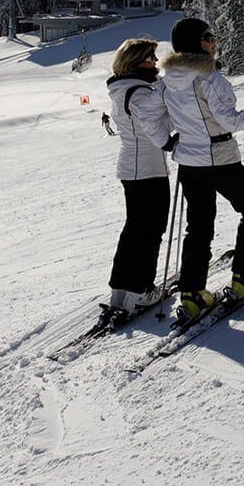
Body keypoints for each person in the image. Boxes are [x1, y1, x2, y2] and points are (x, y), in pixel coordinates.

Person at [135, 17, 244, 325]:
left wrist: (167, 142)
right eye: (208, 37)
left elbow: (147, 114)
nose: (214, 41)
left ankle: (193, 295)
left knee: (199, 226)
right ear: (195, 43)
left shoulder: (168, 80)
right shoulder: (209, 78)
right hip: (220, 159)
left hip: (190, 165)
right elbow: (230, 120)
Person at [100, 38, 174, 327]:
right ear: (135, 61)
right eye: (149, 58)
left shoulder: (122, 89)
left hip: (132, 167)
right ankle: (142, 288)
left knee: (134, 229)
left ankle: (122, 286)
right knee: (151, 229)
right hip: (148, 169)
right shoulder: (140, 92)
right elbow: (155, 125)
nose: (155, 63)